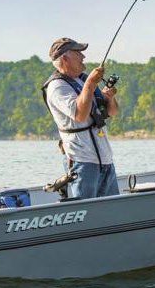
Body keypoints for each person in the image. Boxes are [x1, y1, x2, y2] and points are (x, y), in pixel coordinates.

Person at [41, 37, 120, 199]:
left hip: (105, 159)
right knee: (88, 212)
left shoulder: (82, 79)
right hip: (82, 161)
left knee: (113, 209)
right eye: (78, 53)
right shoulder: (57, 87)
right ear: (65, 58)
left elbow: (112, 112)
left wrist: (110, 98)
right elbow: (80, 115)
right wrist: (91, 84)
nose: (83, 57)